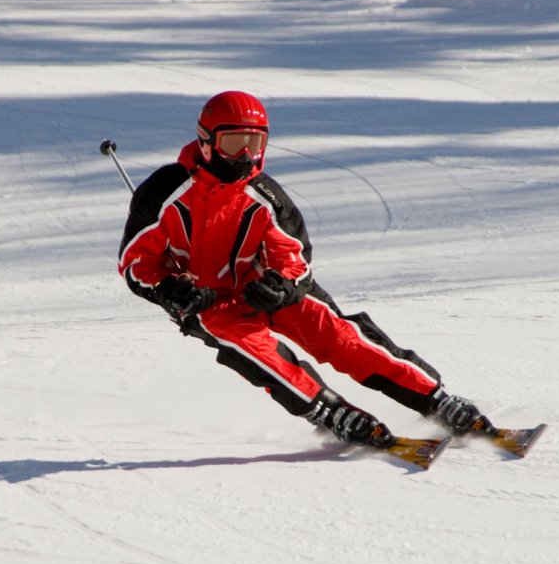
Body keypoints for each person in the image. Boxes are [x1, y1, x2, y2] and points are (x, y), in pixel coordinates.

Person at [117, 90, 494, 450]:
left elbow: (293, 255)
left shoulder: (266, 195)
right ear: (206, 141)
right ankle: (329, 410)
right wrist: (171, 290)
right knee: (247, 344)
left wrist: (280, 286)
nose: (246, 154)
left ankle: (435, 399)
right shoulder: (165, 191)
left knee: (337, 333)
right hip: (209, 302)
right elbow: (137, 262)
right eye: (234, 142)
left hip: (262, 290)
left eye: (256, 142)